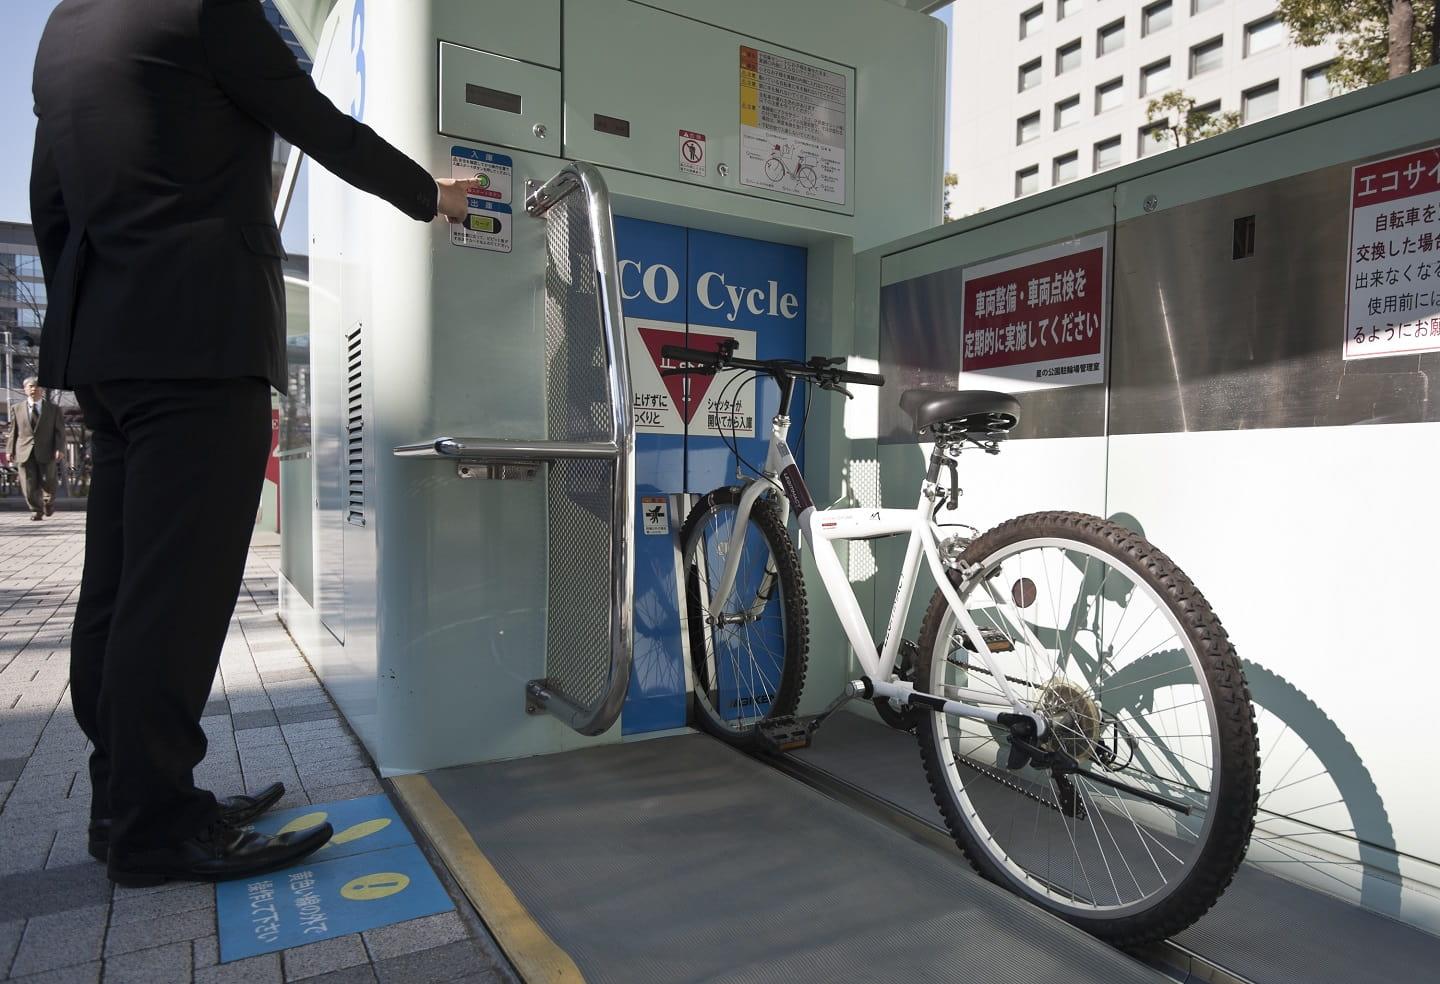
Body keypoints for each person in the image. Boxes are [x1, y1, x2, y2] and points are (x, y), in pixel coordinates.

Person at [30, 0, 471, 887]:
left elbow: (51, 201)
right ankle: (158, 826)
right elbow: (316, 125)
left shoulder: (64, 27)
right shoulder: (204, 8)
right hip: (200, 342)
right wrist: (433, 195)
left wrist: (91, 327)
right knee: (177, 598)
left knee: (118, 590)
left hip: (110, 351)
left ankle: (121, 803)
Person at [6, 377, 66, 520]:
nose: (34, 389)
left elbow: (60, 431)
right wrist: (10, 450)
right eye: (31, 386)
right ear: (25, 389)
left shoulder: (53, 409)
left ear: (43, 390)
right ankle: (36, 510)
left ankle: (48, 503)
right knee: (28, 484)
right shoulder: (17, 408)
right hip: (24, 451)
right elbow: (13, 431)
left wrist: (60, 448)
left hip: (47, 450)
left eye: (38, 387)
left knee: (49, 481)